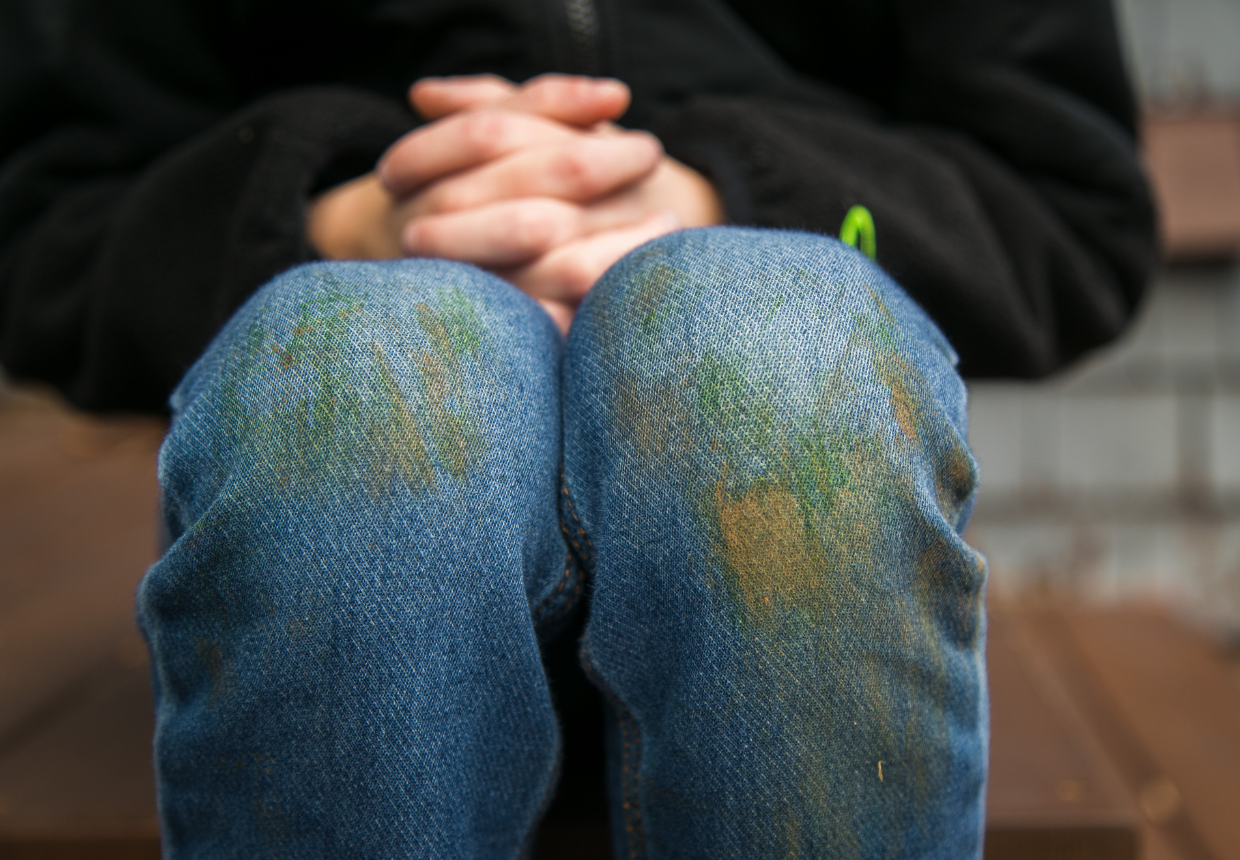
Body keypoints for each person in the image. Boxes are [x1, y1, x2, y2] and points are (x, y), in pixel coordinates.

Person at [0, 1, 1155, 857]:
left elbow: (1066, 205)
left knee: (762, 341)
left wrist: (726, 204)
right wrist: (337, 214)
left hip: (797, 584)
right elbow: (50, 213)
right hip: (339, 531)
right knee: (353, 366)